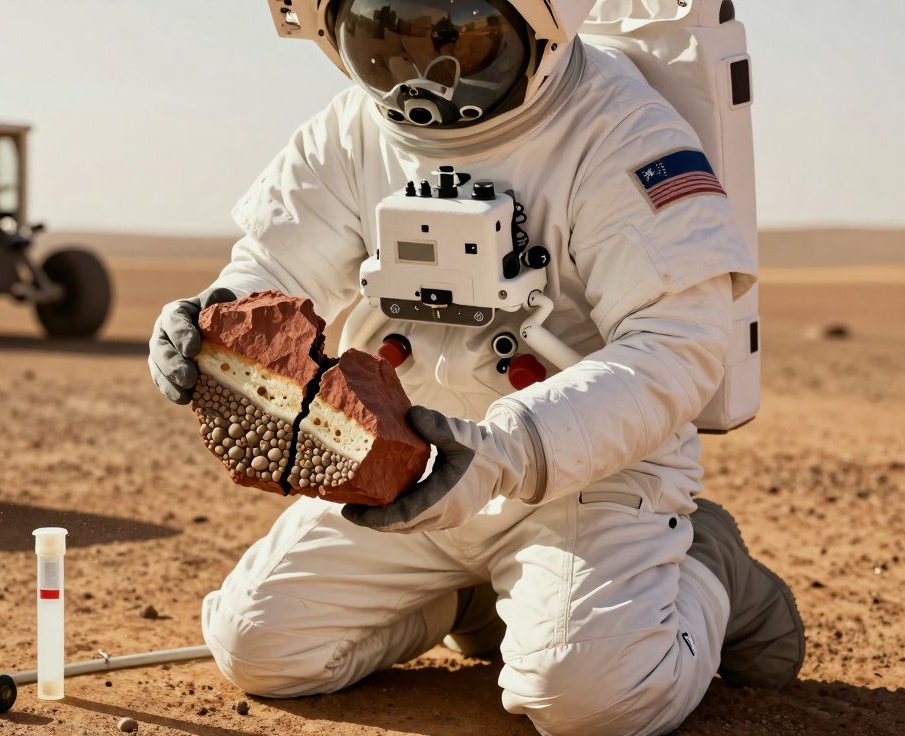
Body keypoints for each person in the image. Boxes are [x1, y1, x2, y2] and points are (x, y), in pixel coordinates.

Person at [148, 2, 804, 734]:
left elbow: (675, 344)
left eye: (460, 38)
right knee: (262, 649)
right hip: (413, 466)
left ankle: (710, 567)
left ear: (541, 25)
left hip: (587, 471)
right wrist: (213, 313)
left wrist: (509, 449)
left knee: (591, 703)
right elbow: (273, 263)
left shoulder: (618, 129)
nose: (426, 78)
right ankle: (470, 596)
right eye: (384, 38)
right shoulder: (353, 130)